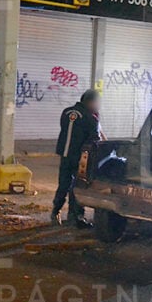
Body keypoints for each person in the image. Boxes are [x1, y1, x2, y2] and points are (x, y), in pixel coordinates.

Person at [52, 89, 103, 228]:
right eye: (97, 103)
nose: (98, 106)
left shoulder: (66, 112)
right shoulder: (90, 117)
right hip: (79, 157)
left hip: (65, 154)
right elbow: (94, 140)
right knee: (78, 186)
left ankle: (55, 211)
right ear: (90, 102)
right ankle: (76, 217)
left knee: (63, 183)